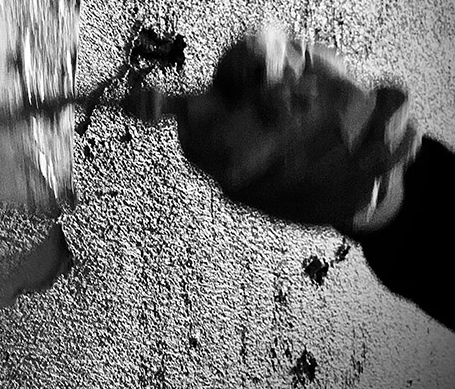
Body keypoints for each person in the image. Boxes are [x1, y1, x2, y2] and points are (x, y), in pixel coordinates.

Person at [124, 27, 453, 331]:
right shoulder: (297, 109)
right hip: (406, 198)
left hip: (396, 222)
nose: (300, 89)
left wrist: (176, 105)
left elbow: (385, 112)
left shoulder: (297, 149)